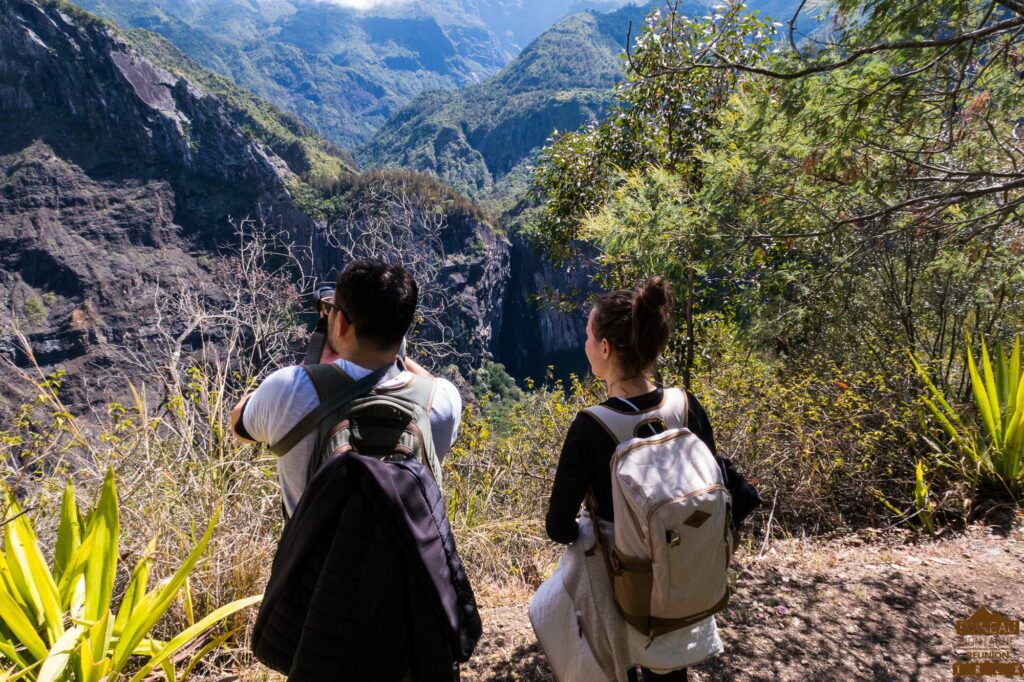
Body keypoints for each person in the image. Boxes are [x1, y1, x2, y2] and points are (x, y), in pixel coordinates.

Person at [543, 276, 761, 682]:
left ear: (605, 348)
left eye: (589, 336)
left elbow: (557, 527)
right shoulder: (684, 405)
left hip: (628, 588)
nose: (585, 344)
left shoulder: (590, 427)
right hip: (685, 575)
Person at [230, 259, 462, 516]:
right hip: (407, 556)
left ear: (340, 323)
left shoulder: (288, 389)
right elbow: (427, 385)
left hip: (315, 556)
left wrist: (325, 352)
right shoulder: (443, 400)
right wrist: (397, 353)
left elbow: (239, 425)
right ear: (404, 329)